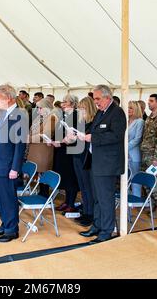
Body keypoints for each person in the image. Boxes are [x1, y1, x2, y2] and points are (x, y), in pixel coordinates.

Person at [78, 85, 126, 244]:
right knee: (97, 197)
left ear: (107, 97)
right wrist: (81, 134)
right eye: (94, 98)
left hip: (107, 164)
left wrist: (93, 139)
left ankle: (107, 230)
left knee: (105, 198)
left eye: (98, 98)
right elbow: (93, 129)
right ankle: (97, 225)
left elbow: (116, 136)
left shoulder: (117, 112)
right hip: (95, 161)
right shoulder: (101, 111)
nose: (95, 101)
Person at [0, 84, 27, 242]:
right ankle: (5, 224)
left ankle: (12, 230)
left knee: (9, 198)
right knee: (2, 198)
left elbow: (20, 145)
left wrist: (15, 168)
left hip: (8, 165)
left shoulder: (19, 115)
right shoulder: (3, 113)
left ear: (9, 98)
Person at [52, 94, 80, 213]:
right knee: (65, 177)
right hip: (61, 150)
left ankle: (71, 203)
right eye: (62, 102)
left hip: (69, 151)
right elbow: (59, 131)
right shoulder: (64, 115)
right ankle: (66, 201)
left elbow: (72, 135)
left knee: (70, 177)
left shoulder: (75, 116)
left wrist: (60, 142)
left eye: (65, 102)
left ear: (73, 104)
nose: (62, 104)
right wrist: (53, 140)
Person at [72, 96, 97, 227]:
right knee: (82, 186)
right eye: (79, 108)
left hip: (86, 157)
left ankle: (90, 213)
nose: (80, 110)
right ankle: (86, 211)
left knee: (88, 187)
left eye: (83, 108)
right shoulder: (82, 122)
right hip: (78, 155)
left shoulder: (93, 123)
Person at [27, 98, 57, 197]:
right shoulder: (39, 118)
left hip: (43, 151)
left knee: (43, 171)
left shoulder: (51, 118)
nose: (38, 110)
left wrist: (29, 138)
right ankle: (40, 191)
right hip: (35, 150)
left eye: (40, 108)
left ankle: (44, 194)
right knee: (38, 172)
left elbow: (46, 134)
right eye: (37, 107)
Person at [128, 101, 145, 197]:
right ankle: (127, 198)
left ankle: (136, 198)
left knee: (135, 178)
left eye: (131, 108)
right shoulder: (126, 121)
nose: (128, 110)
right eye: (127, 108)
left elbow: (138, 139)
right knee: (125, 178)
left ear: (136, 110)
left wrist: (125, 148)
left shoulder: (140, 122)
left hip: (134, 154)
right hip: (124, 154)